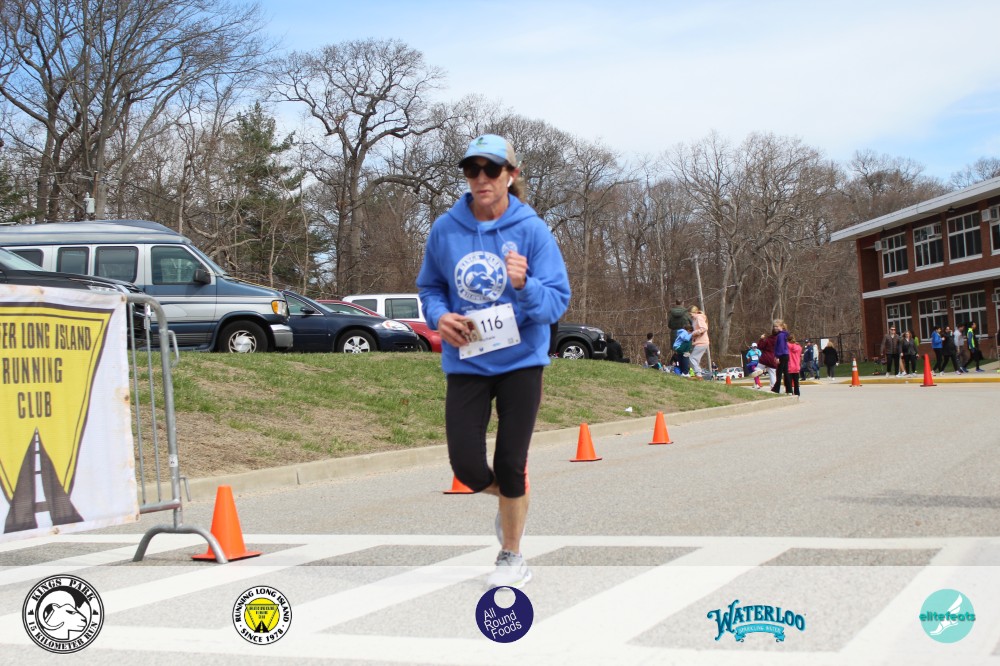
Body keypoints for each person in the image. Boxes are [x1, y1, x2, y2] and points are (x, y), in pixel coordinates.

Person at [417, 134, 570, 589]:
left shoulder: (532, 230)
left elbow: (556, 302)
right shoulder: (445, 229)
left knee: (510, 461)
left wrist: (525, 285)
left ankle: (512, 554)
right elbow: (430, 287)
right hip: (468, 360)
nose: (481, 178)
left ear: (511, 175)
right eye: (472, 169)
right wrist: (439, 317)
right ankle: (512, 500)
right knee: (466, 467)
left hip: (521, 360)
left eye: (491, 169)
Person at [688, 305, 710, 379]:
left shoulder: (699, 317)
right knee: (695, 359)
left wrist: (694, 333)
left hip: (702, 342)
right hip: (699, 341)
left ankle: (698, 374)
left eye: (691, 314)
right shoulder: (694, 319)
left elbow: (704, 328)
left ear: (695, 312)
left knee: (692, 358)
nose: (690, 315)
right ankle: (695, 375)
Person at [771, 319, 790, 394]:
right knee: (786, 373)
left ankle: (776, 389)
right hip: (785, 354)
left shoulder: (780, 335)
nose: (775, 328)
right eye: (774, 326)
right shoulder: (784, 334)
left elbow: (780, 347)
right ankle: (789, 390)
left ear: (781, 326)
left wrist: (777, 356)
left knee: (779, 373)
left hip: (782, 355)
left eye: (777, 326)